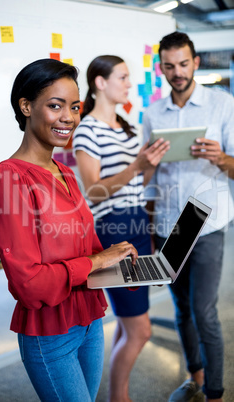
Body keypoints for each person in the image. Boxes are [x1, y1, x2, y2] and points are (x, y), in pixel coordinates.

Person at [0, 58, 140, 402]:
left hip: (89, 322)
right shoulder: (8, 178)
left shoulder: (66, 173)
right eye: (55, 106)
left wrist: (131, 270)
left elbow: (88, 251)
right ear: (26, 106)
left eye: (74, 107)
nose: (68, 117)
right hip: (50, 332)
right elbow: (29, 285)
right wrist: (98, 262)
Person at [143, 31, 234, 402]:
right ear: (161, 67)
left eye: (183, 64)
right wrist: (150, 226)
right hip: (169, 222)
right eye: (169, 66)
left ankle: (214, 393)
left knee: (204, 311)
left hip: (206, 219)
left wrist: (221, 158)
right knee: (181, 308)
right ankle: (194, 375)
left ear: (195, 62)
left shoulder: (223, 105)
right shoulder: (152, 113)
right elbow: (150, 178)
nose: (177, 72)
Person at [72, 55, 169, 402]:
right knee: (141, 330)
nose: (129, 84)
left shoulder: (127, 127)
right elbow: (93, 191)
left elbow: (139, 183)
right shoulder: (86, 130)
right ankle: (119, 398)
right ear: (100, 82)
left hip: (138, 223)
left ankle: (117, 392)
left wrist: (151, 164)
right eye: (123, 77)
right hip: (113, 231)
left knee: (129, 324)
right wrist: (136, 167)